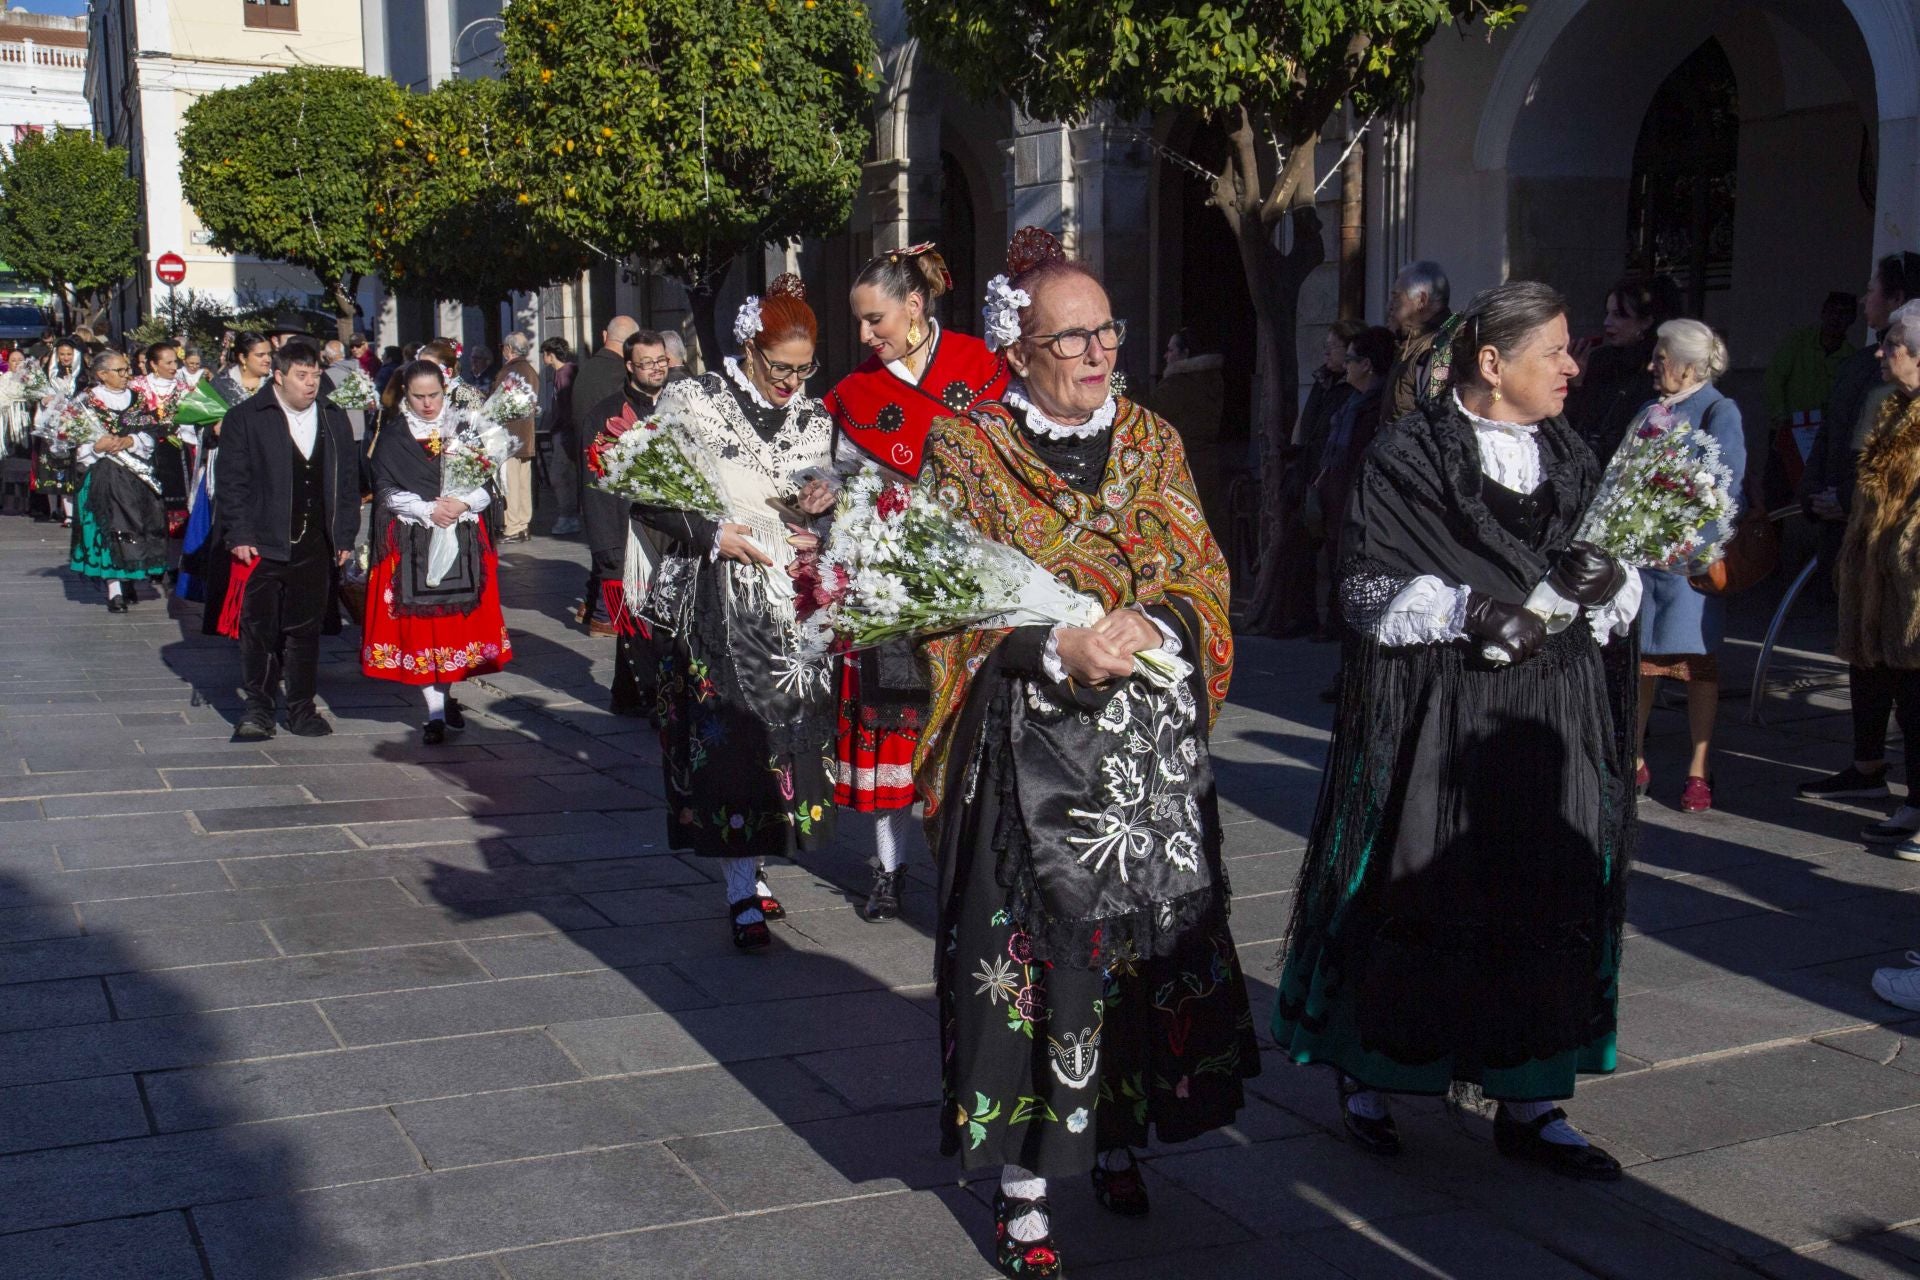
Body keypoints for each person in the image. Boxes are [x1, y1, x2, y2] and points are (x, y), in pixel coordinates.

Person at [915, 229, 1257, 1279]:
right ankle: (1023, 1191)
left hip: (1143, 761)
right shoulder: (965, 449)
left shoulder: (1152, 437)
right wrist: (1056, 643)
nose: (1100, 351)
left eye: (1108, 329)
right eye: (1074, 337)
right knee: (1036, 968)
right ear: (1016, 352)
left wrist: (1152, 629)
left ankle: (1113, 1130)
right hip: (1027, 750)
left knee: (1136, 960)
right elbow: (938, 594)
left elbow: (1200, 568)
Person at [1274, 281, 1642, 1183]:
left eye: (1570, 350)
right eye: (1554, 350)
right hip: (1438, 713)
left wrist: (1609, 583)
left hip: (1545, 715)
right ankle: (1371, 1072)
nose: (1572, 365)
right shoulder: (1410, 451)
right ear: (1492, 363)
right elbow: (1363, 581)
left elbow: (1615, 575)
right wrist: (1470, 607)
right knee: (1412, 886)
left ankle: (1530, 1096)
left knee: (1541, 892)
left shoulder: (1570, 452)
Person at [811, 242, 1008, 922]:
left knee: (967, 727)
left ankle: (967, 871)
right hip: (888, 581)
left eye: (876, 321)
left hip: (975, 580)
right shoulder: (857, 393)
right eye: (861, 324)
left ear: (915, 306)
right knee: (890, 723)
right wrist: (823, 492)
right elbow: (839, 474)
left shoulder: (982, 369)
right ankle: (890, 869)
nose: (866, 336)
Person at [641, 275, 835, 950]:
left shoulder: (815, 419)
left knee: (781, 744)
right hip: (719, 600)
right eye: (779, 367)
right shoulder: (695, 400)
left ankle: (754, 868)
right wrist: (708, 532)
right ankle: (737, 887)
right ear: (749, 350)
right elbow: (640, 489)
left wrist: (823, 510)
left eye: (803, 368)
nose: (791, 381)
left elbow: (830, 490)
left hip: (790, 608)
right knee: (729, 747)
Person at [362, 360, 512, 745]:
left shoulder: (469, 427)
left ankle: (443, 702)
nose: (428, 404)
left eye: (434, 395)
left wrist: (461, 503)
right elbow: (384, 489)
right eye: (419, 396)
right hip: (412, 537)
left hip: (463, 536)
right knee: (420, 628)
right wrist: (426, 509)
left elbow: (489, 483)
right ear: (405, 394)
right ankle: (434, 712)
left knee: (453, 626)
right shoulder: (394, 435)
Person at [217, 341, 359, 739]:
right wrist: (240, 533)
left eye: (315, 374)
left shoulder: (332, 416)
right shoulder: (246, 417)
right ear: (278, 376)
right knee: (259, 630)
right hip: (262, 543)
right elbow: (232, 482)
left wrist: (344, 532)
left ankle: (301, 708)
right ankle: (258, 710)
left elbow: (347, 481)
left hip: (315, 542)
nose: (311, 383)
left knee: (304, 629)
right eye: (301, 375)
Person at [1631, 320, 1744, 812]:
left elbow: (1728, 486)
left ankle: (1699, 769)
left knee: (1698, 666)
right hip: (1643, 560)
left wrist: (1689, 537)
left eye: (1661, 357)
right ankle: (1633, 758)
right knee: (1641, 664)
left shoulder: (1720, 410)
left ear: (1690, 365)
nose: (1651, 365)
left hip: (1688, 566)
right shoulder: (1649, 410)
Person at [1803, 253, 1920, 594]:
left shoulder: (1901, 390)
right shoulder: (1856, 366)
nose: (1863, 299)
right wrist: (1814, 492)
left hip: (1889, 547)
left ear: (1897, 298)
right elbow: (1830, 434)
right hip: (1845, 535)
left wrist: (1850, 498)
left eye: (1872, 290)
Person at [585, 329, 671, 730]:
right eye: (646, 363)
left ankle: (636, 693)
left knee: (666, 617)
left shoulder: (680, 405)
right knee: (635, 619)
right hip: (627, 529)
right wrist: (607, 550)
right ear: (629, 366)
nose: (655, 370)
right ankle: (646, 694)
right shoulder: (606, 415)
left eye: (661, 362)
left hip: (673, 531)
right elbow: (597, 488)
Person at [1273, 320, 1367, 638]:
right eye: (1326, 345)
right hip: (1308, 473)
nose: (1327, 351)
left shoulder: (1353, 390)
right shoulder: (1323, 381)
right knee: (1298, 545)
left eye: (1335, 346)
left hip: (1333, 477)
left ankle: (1335, 620)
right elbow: (1307, 423)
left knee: (1335, 548)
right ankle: (1301, 615)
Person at [66, 350, 169, 612]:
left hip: (135, 475)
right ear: (102, 374)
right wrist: (96, 446)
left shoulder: (137, 399)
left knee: (137, 525)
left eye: (127, 370)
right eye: (120, 371)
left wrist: (131, 440)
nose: (127, 375)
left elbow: (152, 430)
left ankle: (130, 577)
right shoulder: (85, 403)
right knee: (109, 528)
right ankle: (114, 589)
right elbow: (72, 440)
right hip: (102, 477)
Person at [1564, 275, 1683, 464]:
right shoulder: (1598, 360)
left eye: (1619, 315)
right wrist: (1577, 384)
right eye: (1608, 313)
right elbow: (1576, 423)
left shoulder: (1658, 370)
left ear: (1646, 321)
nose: (1607, 322)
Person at [1763, 292, 1857, 504]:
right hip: (1786, 429)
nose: (1837, 318)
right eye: (1833, 311)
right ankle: (1772, 535)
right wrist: (1780, 416)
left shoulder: (1852, 357)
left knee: (1815, 491)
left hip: (1820, 437)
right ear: (1823, 313)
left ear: (1853, 319)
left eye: (1844, 314)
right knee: (1777, 490)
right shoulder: (1799, 342)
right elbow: (1774, 378)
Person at [1148, 328, 1226, 527]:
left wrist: (1128, 387)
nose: (1166, 355)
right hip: (1205, 465)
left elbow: (1151, 413)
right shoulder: (1210, 380)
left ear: (1186, 353)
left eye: (1171, 350)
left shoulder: (1181, 384)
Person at [130, 343, 193, 582]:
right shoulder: (137, 388)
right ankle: (149, 561)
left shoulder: (184, 388)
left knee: (176, 511)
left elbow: (194, 420)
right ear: (153, 364)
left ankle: (173, 564)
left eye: (175, 362)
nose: (173, 367)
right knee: (148, 508)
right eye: (167, 363)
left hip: (176, 454)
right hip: (145, 454)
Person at [1381, 261, 1453, 424]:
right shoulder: (1409, 343)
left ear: (1421, 300)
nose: (1390, 306)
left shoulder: (1442, 346)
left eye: (1396, 297)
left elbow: (1437, 419)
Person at [496, 333, 539, 544]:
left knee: (510, 483)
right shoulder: (530, 370)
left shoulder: (511, 370)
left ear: (509, 349)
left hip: (509, 435)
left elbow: (499, 401)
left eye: (504, 347)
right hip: (525, 435)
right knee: (523, 482)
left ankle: (512, 527)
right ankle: (523, 524)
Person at [539, 337, 581, 534]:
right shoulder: (562, 372)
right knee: (566, 475)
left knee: (559, 475)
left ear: (550, 354)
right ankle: (570, 514)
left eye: (544, 354)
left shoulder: (564, 374)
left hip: (565, 432)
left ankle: (568, 516)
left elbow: (566, 406)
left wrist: (559, 427)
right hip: (563, 431)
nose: (543, 358)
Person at [321, 338, 368, 446]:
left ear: (328, 357)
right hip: (360, 429)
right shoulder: (358, 370)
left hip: (342, 431)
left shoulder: (328, 375)